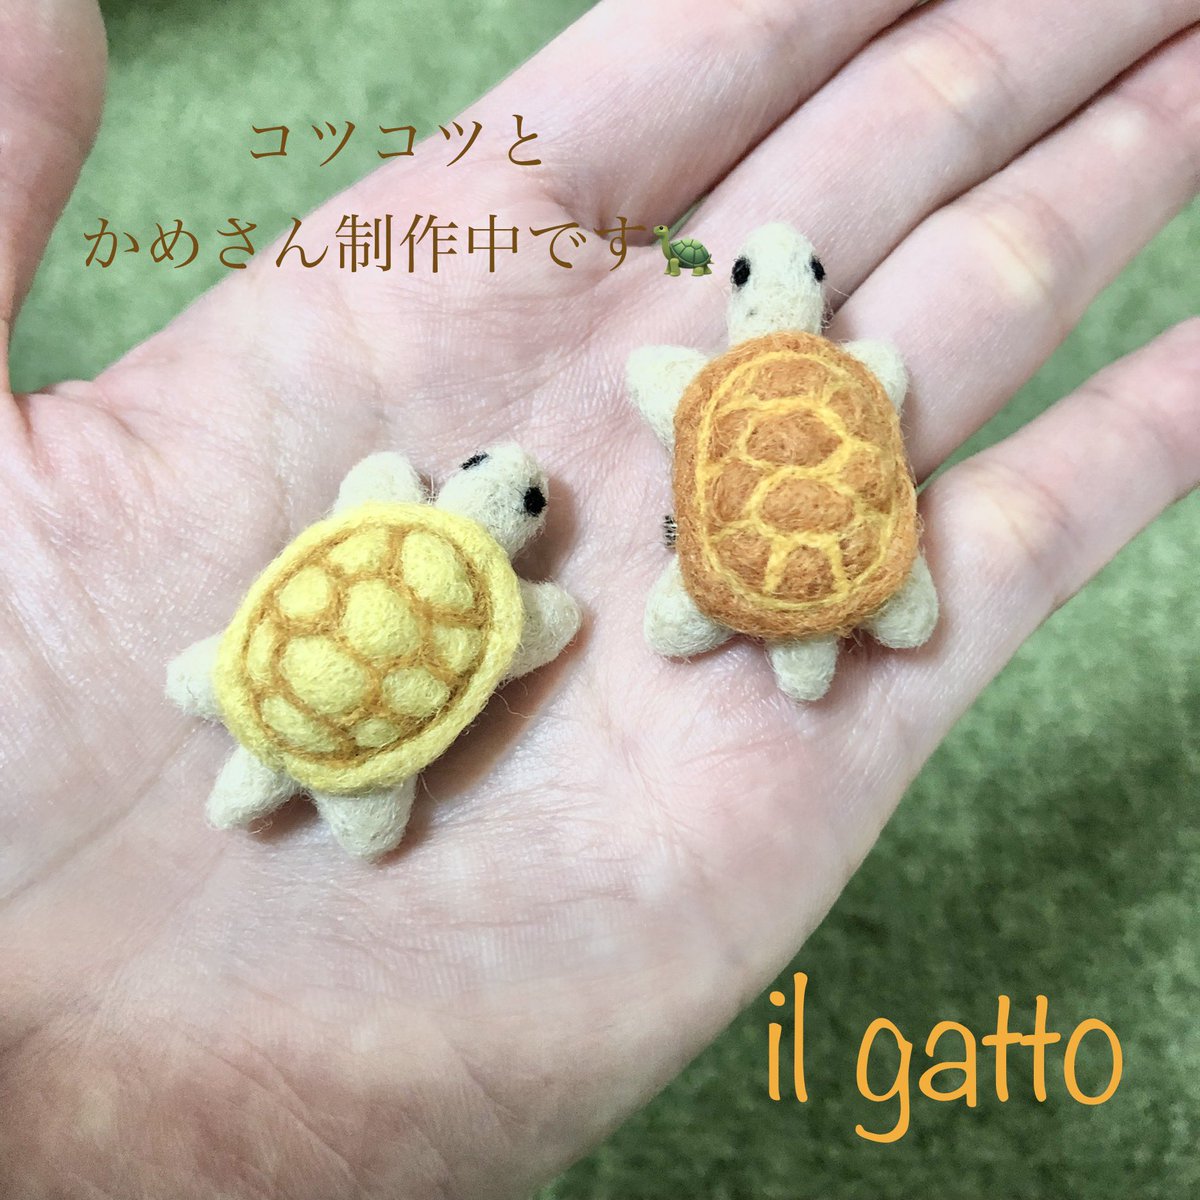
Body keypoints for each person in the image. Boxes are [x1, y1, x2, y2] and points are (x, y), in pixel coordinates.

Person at [2, 0, 1197, 1194]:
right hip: (806, 570)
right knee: (798, 625)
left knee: (757, 625)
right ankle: (815, 617)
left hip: (378, 663)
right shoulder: (833, 384)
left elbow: (564, 540)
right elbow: (566, 599)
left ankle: (268, 710)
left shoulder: (597, 432)